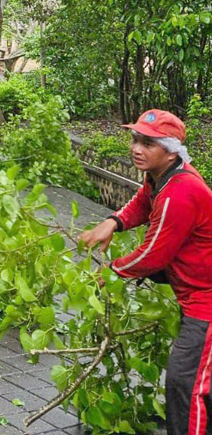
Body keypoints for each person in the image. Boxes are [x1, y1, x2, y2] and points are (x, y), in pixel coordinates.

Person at [79, 109, 212, 435]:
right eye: (135, 139)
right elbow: (143, 201)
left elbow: (153, 256)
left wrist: (110, 272)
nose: (136, 148)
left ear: (170, 150)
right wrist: (114, 221)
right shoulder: (160, 176)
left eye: (148, 143)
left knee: (187, 384)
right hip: (195, 292)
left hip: (206, 303)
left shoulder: (180, 192)